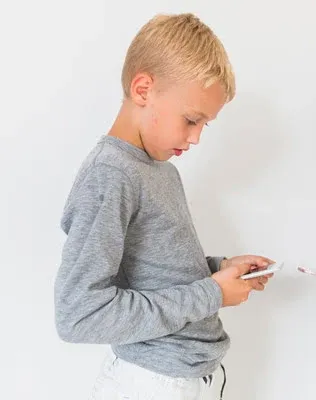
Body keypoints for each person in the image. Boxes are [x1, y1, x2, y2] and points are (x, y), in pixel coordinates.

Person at [54, 13, 274, 400]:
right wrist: (212, 293)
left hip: (195, 379)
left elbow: (152, 270)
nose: (196, 138)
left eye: (205, 124)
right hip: (151, 384)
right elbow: (78, 314)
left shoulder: (159, 169)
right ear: (143, 89)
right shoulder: (110, 174)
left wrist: (219, 269)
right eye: (191, 119)